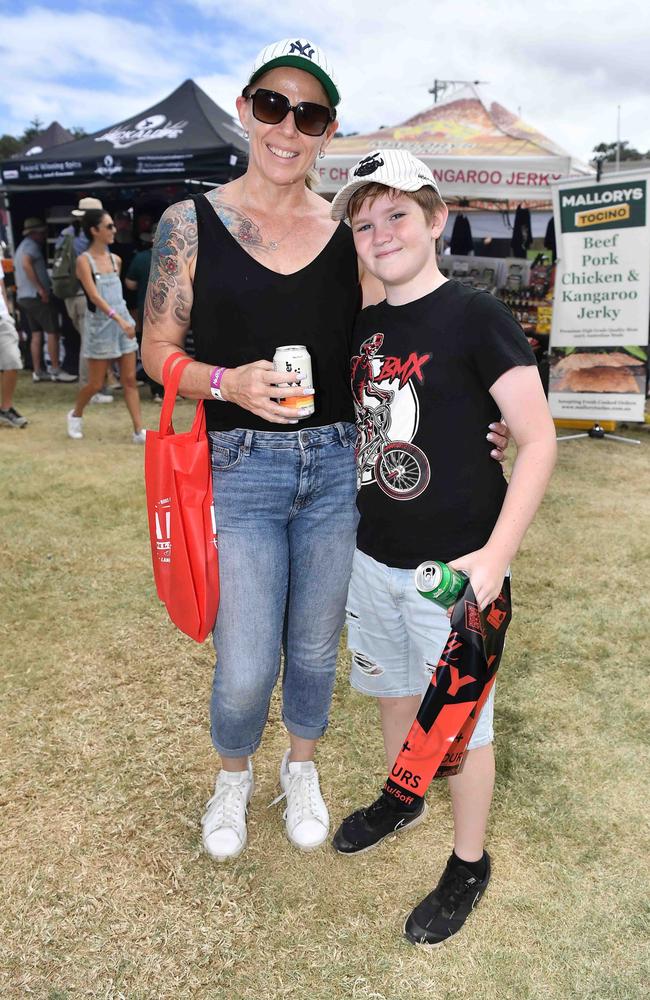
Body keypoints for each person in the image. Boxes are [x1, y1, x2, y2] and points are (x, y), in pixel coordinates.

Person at [141, 38, 509, 864]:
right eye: (272, 105)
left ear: (326, 130)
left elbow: (404, 337)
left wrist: (479, 417)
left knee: (312, 647)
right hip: (238, 467)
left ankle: (299, 767)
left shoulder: (347, 233)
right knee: (242, 662)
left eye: (308, 114)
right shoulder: (187, 224)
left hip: (342, 466)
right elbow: (153, 351)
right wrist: (223, 382)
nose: (287, 126)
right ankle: (231, 778)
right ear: (245, 109)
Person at [328, 149, 557, 946]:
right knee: (394, 692)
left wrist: (493, 558)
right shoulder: (365, 322)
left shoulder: (476, 314)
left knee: (460, 728)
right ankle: (403, 795)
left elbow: (537, 439)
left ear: (435, 220)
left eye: (397, 214)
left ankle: (468, 861)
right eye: (364, 222)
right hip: (370, 554)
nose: (380, 232)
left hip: (453, 571)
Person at [66, 209, 145, 443]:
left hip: (121, 322)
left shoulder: (115, 260)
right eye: (109, 226)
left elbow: (116, 296)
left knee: (129, 379)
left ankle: (138, 430)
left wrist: (125, 320)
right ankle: (76, 414)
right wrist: (120, 319)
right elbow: (95, 297)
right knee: (95, 383)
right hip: (101, 325)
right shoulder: (84, 261)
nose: (114, 230)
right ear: (94, 231)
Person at [55, 196, 113, 404]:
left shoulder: (65, 234)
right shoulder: (85, 240)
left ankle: (94, 385)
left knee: (88, 341)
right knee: (89, 343)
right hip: (85, 296)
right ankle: (90, 388)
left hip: (72, 296)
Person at [14, 218, 76, 382]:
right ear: (35, 233)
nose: (44, 236)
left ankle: (38, 371)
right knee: (53, 332)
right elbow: (26, 264)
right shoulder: (31, 246)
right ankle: (55, 369)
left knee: (36, 333)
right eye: (42, 233)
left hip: (24, 296)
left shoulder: (21, 245)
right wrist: (41, 288)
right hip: (35, 296)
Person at [125, 230, 163, 400]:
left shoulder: (141, 258)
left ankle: (156, 391)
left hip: (146, 309)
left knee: (151, 351)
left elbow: (130, 283)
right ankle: (174, 388)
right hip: (175, 311)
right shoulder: (178, 257)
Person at [0, 277, 28, 427]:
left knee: (13, 361)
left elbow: (1, 285)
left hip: (2, 318)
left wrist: (7, 312)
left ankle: (5, 409)